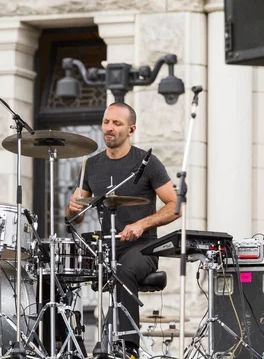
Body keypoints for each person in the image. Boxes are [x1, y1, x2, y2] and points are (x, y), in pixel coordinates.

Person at [65, 102, 180, 355]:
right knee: (58, 272)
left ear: (131, 129)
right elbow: (76, 219)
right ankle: (64, 346)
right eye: (106, 122)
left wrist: (142, 224)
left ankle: (127, 349)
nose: (109, 128)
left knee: (121, 269)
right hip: (105, 248)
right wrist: (72, 209)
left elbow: (175, 205)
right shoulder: (91, 165)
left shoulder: (146, 162)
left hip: (143, 248)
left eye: (116, 123)